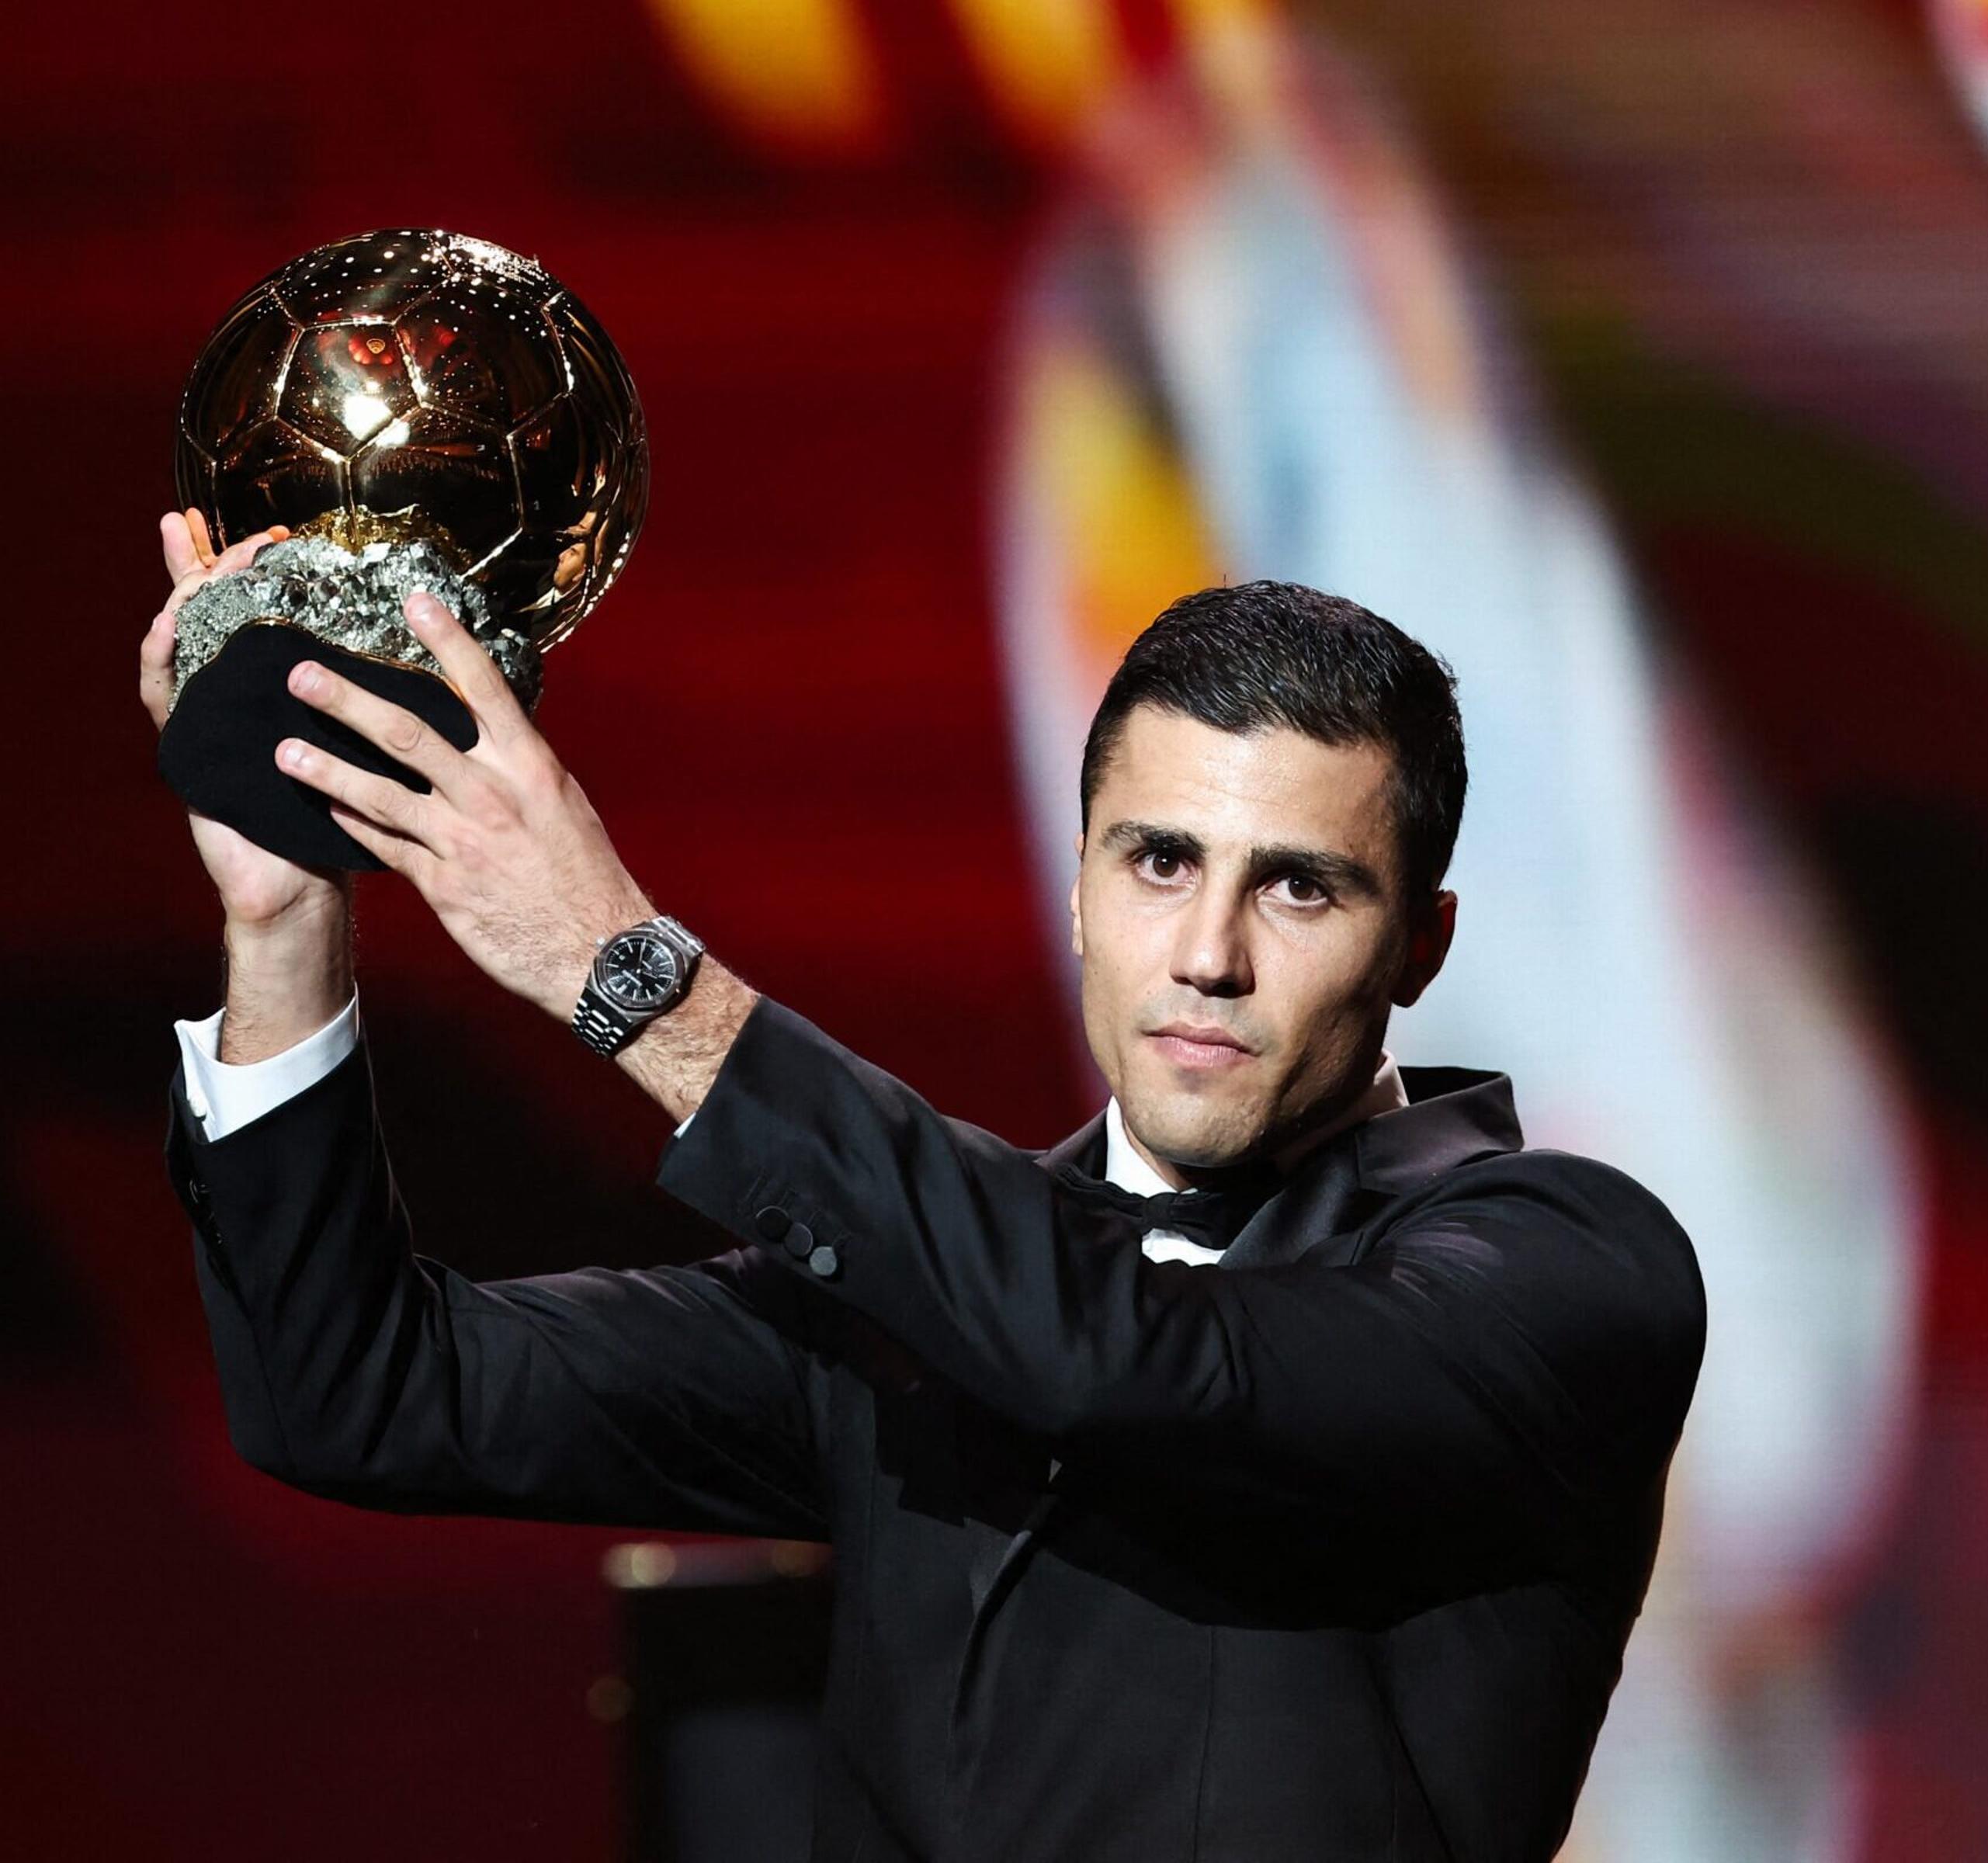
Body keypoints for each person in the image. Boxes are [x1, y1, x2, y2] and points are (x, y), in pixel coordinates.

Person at [136, 509, 1707, 1862]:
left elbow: (1124, 1363)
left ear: (1418, 945)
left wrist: (636, 982)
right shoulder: (904, 1298)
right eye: (1159, 862)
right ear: (1078, 882)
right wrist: (283, 929)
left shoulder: (1566, 1270)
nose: (1211, 956)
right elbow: (353, 1394)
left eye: (1299, 887)